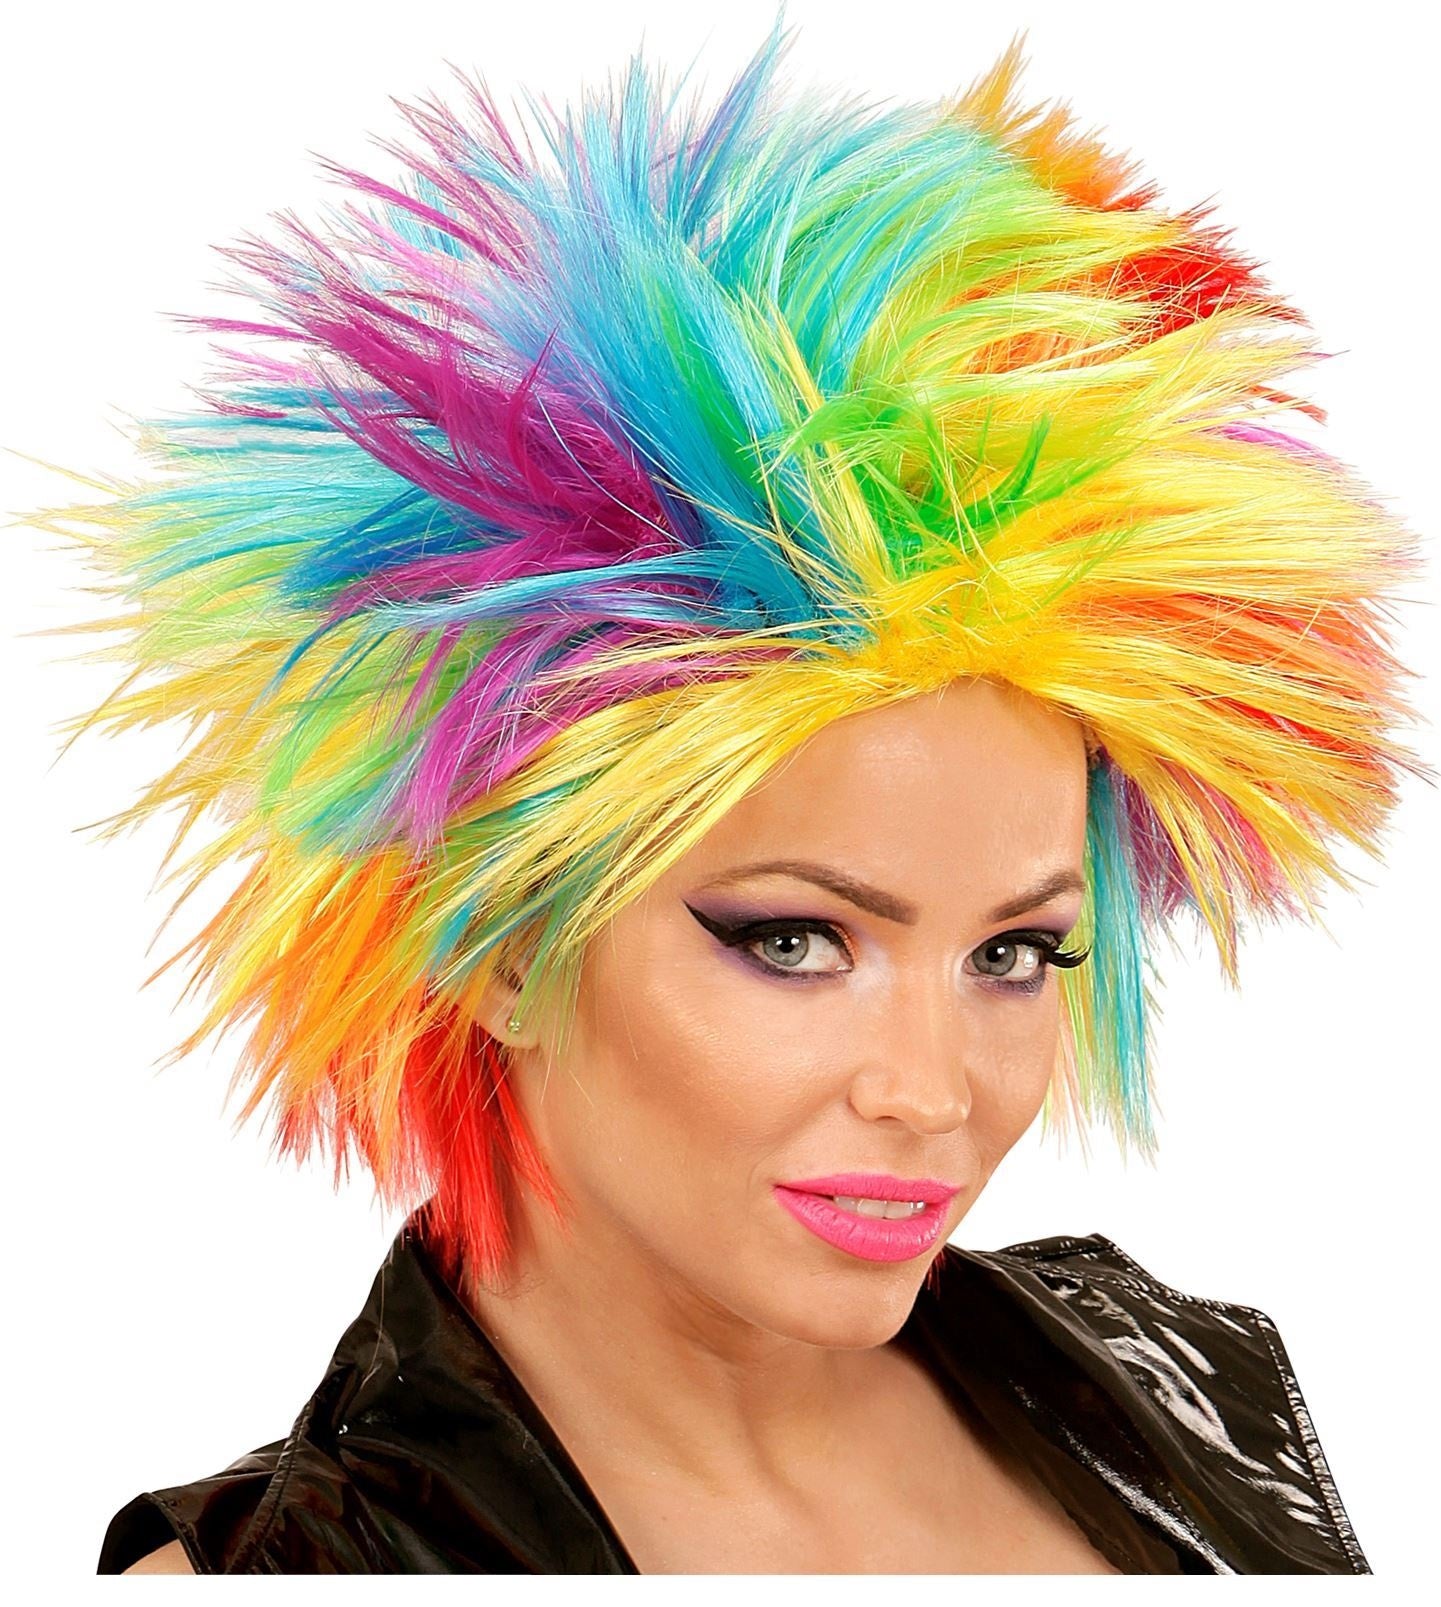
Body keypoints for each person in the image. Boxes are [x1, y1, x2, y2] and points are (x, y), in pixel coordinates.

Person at [32, 17, 1421, 1575]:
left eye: (1012, 953)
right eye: (793, 941)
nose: (931, 1091)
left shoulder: (1185, 1386)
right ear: (501, 940)